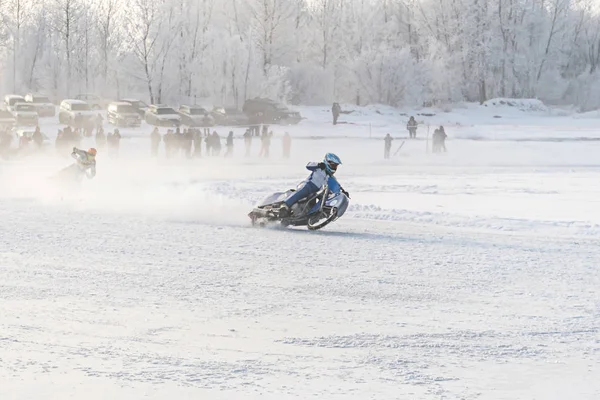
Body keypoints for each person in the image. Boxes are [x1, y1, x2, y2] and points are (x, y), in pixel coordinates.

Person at [279, 153, 349, 217]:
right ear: (328, 162)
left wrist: (342, 193)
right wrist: (318, 165)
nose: (334, 168)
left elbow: (336, 187)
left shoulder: (331, 178)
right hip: (308, 185)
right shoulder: (320, 168)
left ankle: (314, 214)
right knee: (303, 190)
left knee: (325, 197)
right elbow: (308, 165)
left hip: (317, 191)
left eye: (336, 166)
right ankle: (285, 206)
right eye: (333, 165)